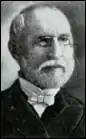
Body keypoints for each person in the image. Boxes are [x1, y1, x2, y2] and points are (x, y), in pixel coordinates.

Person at [1, 3, 85, 138]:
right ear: (15, 50)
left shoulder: (81, 110)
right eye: (43, 41)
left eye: (64, 39)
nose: (56, 54)